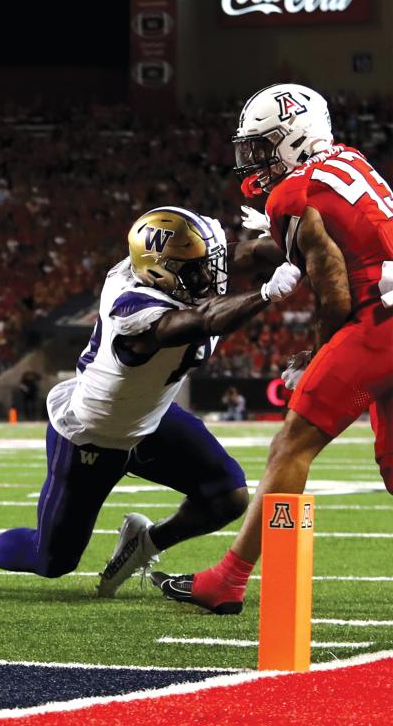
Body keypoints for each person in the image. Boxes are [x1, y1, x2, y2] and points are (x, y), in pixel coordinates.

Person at [0, 207, 301, 598]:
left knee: (227, 496)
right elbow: (206, 318)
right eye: (197, 270)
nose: (210, 276)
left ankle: (144, 543)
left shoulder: (173, 267)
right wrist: (264, 294)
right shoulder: (133, 307)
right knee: (52, 560)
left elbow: (248, 253)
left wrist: (295, 238)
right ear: (163, 271)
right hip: (93, 436)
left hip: (149, 422)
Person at [154, 83, 393, 614]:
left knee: (292, 444)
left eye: (264, 147)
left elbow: (331, 286)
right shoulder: (349, 161)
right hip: (388, 305)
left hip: (379, 321)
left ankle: (228, 579)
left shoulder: (293, 192)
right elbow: (332, 248)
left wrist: (315, 353)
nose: (255, 161)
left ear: (295, 138)